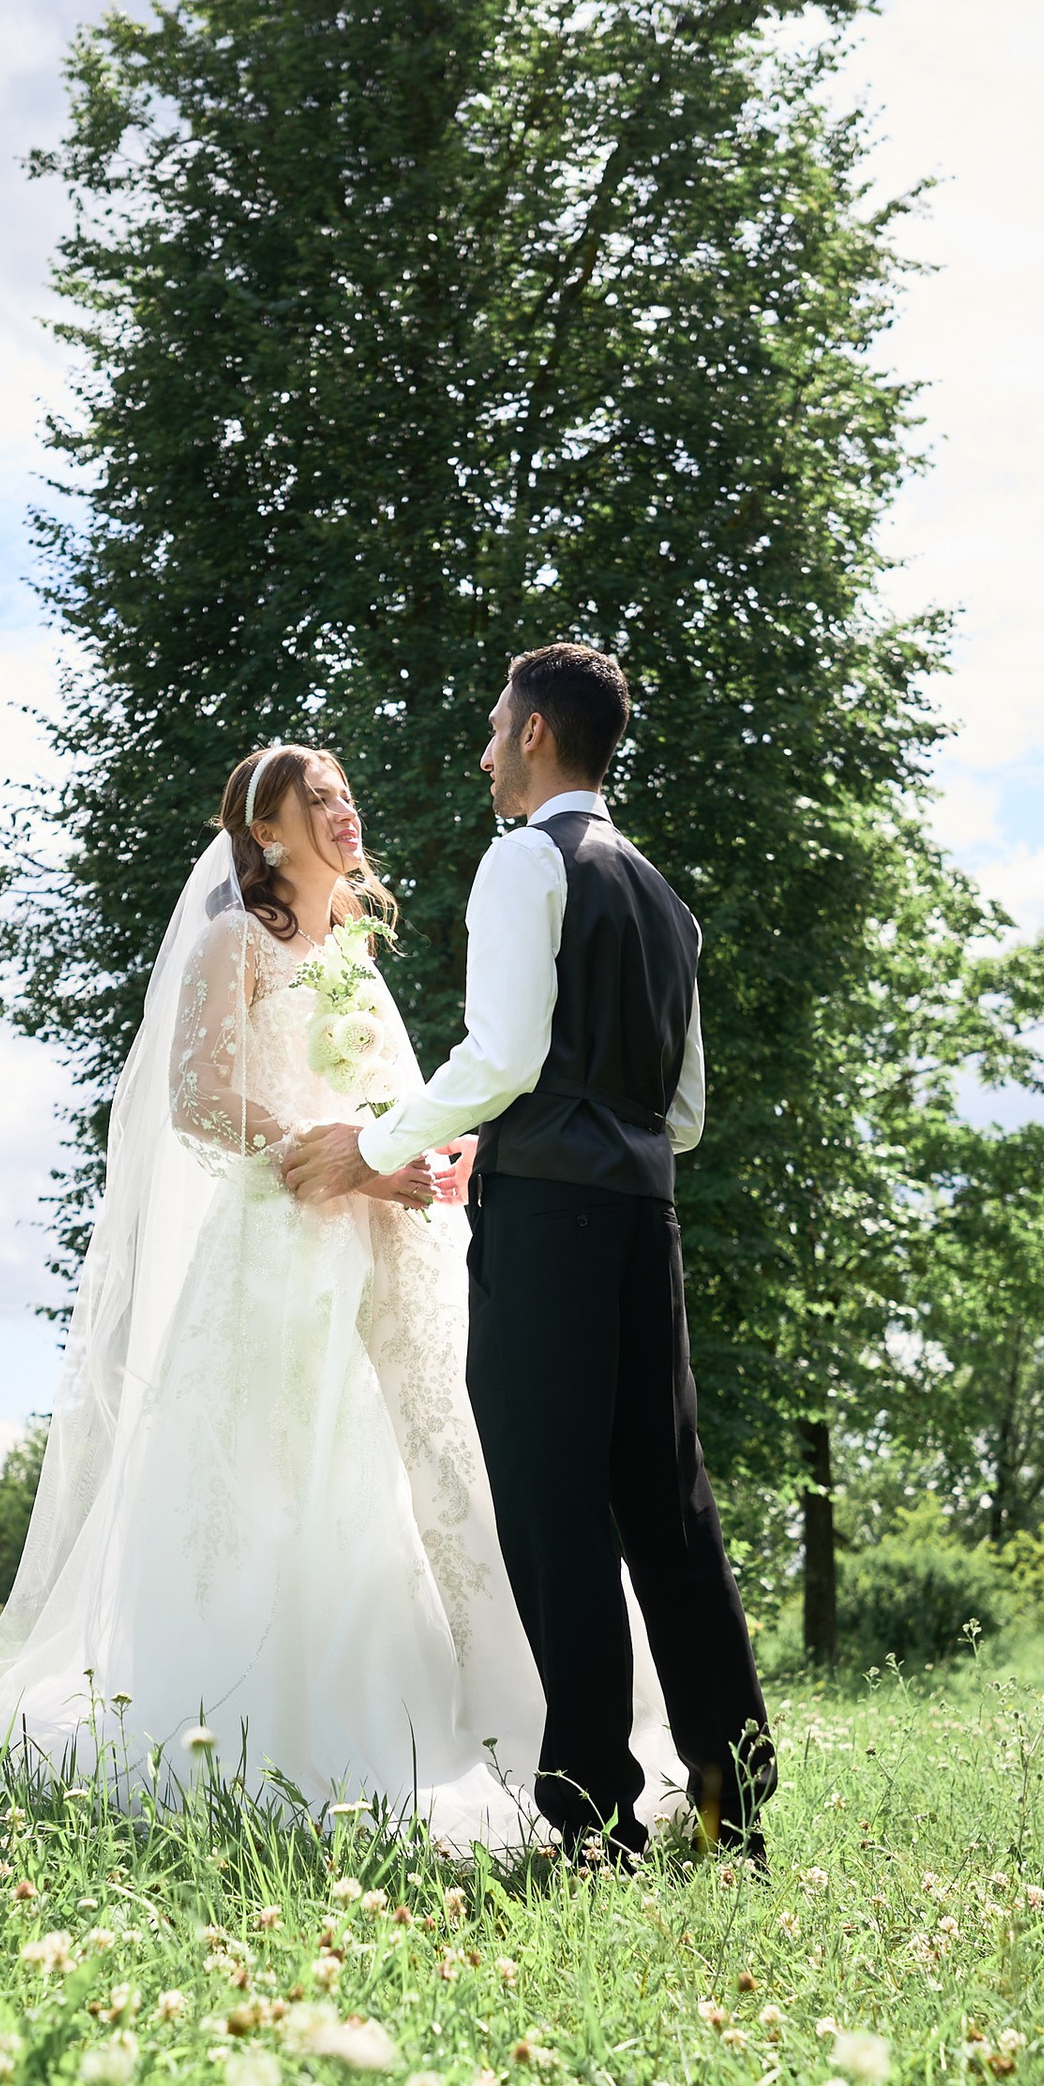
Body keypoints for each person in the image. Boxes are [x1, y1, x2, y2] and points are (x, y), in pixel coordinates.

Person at [0, 740, 675, 1846]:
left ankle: (500, 1726)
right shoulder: (235, 939)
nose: (346, 811)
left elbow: (389, 1096)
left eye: (346, 792)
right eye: (319, 799)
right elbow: (199, 1099)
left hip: (401, 1241)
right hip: (281, 1250)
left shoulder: (355, 945)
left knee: (442, 1468)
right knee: (293, 1476)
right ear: (265, 832)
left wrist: (443, 1150)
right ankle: (287, 1728)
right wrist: (334, 1154)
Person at [285, 642, 773, 1862]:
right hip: (643, 1226)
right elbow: (688, 1113)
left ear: (541, 737)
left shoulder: (524, 862)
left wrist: (372, 1144)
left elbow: (501, 1057)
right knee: (670, 1515)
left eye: (499, 729)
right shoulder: (666, 897)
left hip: (550, 1226)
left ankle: (595, 1816)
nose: (487, 751)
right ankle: (732, 1810)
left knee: (556, 1521)